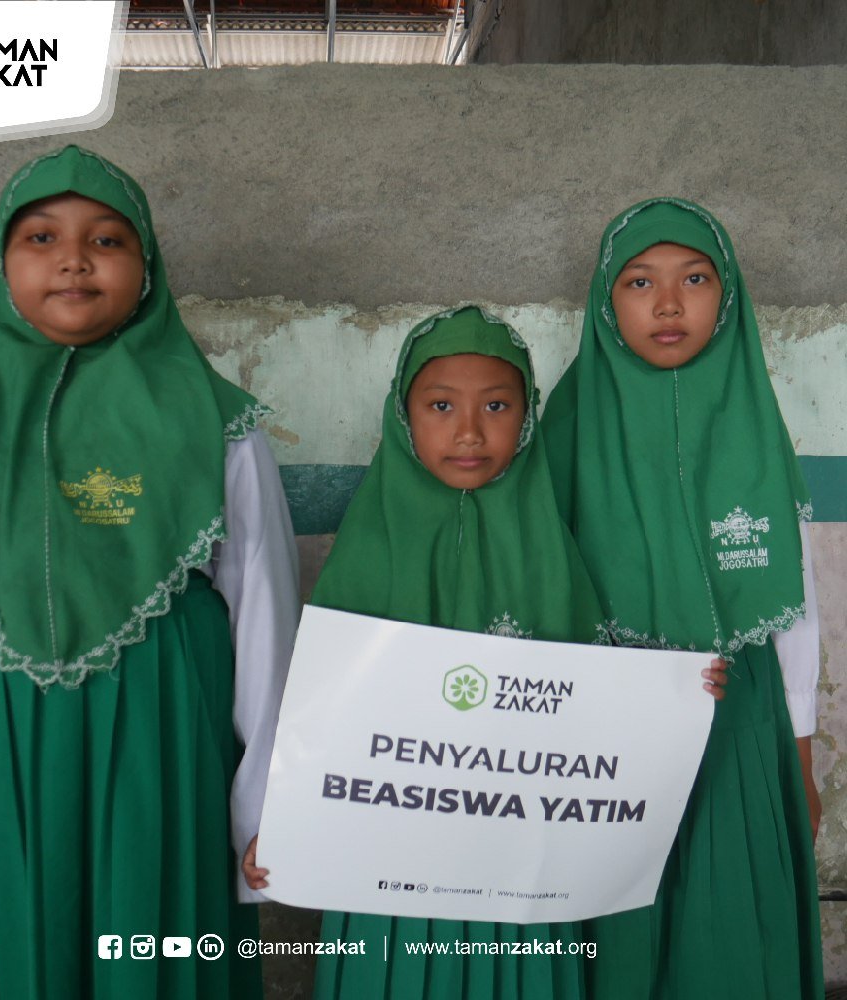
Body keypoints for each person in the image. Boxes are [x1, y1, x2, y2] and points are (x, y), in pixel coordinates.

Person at [0, 145, 299, 999]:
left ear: (147, 266)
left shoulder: (217, 426)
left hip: (166, 740)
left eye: (108, 240)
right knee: (0, 951)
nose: (74, 259)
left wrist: (269, 814)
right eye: (41, 237)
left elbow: (267, 627)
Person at [240, 306, 725, 999]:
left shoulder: (553, 554)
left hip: (520, 871)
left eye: (497, 405)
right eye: (441, 406)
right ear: (402, 414)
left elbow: (599, 711)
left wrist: (680, 694)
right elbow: (321, 722)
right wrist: (286, 823)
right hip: (390, 866)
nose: (469, 431)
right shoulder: (369, 550)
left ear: (528, 417)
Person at [542, 197, 824, 999]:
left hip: (739, 715)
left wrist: (801, 758)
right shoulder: (565, 427)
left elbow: (793, 599)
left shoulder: (753, 420)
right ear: (606, 301)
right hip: (607, 728)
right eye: (640, 282)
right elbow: (536, 589)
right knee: (623, 932)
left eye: (695, 279)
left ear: (727, 297)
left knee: (730, 926)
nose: (668, 304)